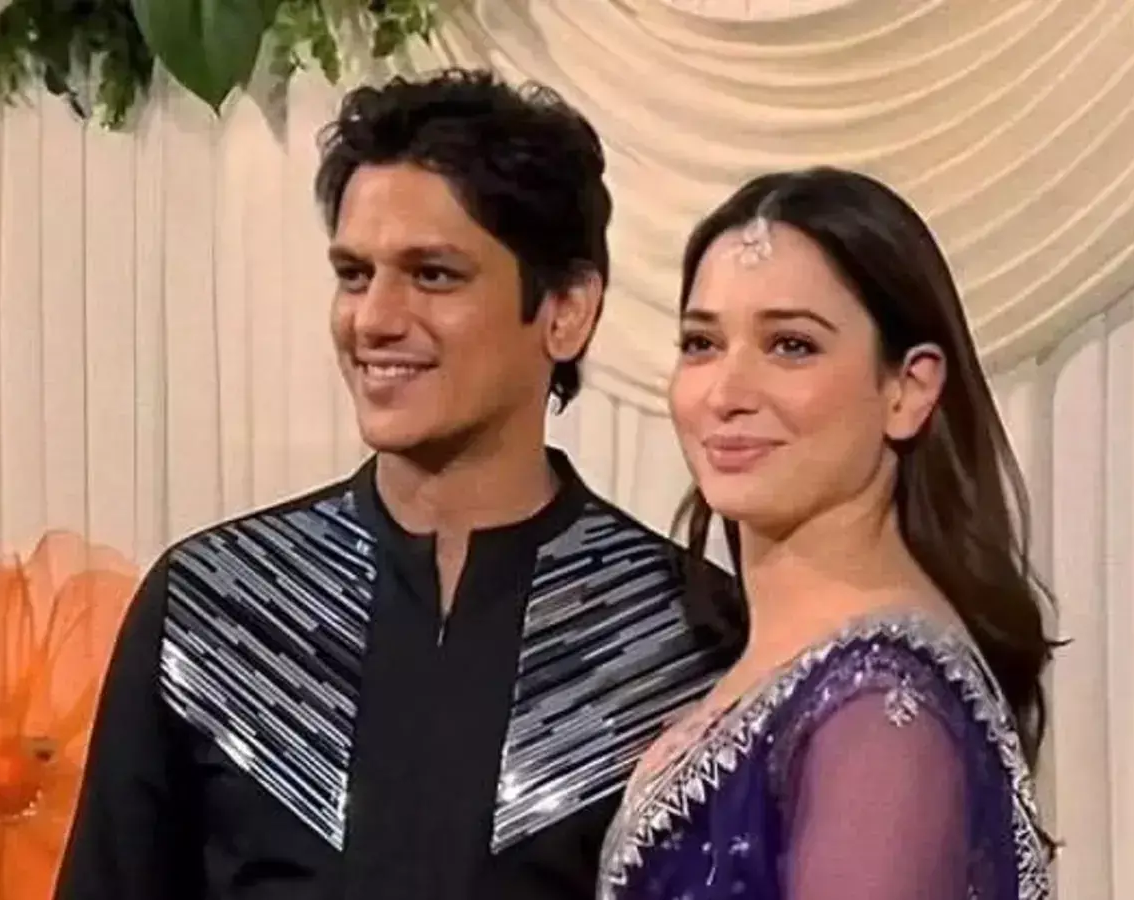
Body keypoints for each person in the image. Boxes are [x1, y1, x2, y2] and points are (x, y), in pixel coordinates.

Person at [54, 69, 738, 900]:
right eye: (354, 274)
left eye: (434, 275)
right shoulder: (213, 604)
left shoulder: (687, 636)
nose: (374, 319)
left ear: (566, 310)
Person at [596, 168, 1057, 899]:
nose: (726, 393)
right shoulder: (807, 674)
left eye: (791, 345)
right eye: (702, 343)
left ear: (907, 389)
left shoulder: (879, 712)